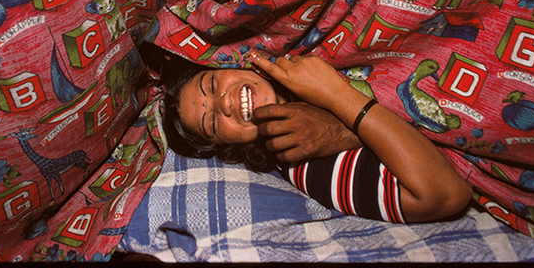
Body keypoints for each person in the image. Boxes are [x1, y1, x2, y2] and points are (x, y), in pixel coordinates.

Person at [139, 41, 473, 224]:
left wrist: (342, 127)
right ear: (231, 147)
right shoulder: (307, 165)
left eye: (213, 84)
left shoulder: (292, 40)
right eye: (213, 122)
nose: (224, 103)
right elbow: (444, 196)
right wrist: (338, 98)